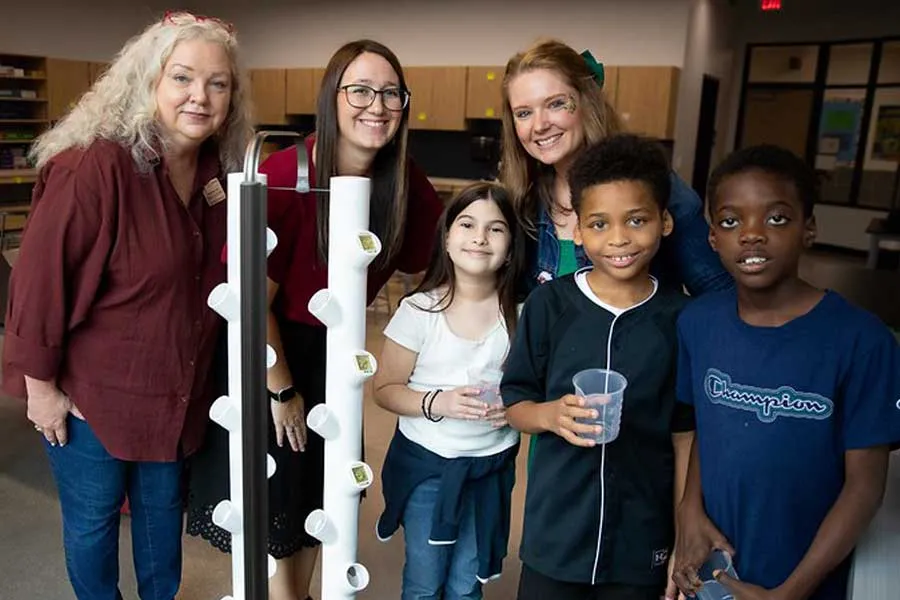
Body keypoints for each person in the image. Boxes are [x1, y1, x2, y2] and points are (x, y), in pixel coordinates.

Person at [1, 10, 252, 600]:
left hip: (173, 398)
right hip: (92, 401)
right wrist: (41, 391)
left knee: (162, 525)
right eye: (182, 77)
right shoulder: (95, 166)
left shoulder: (219, 174)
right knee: (93, 527)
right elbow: (38, 285)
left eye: (217, 83)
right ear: (149, 82)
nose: (200, 96)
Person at [186, 39, 444, 600]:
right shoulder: (286, 174)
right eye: (360, 90)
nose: (377, 106)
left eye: (391, 93)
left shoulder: (403, 181)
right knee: (280, 511)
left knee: (321, 503)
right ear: (332, 97)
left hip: (338, 351)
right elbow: (250, 303)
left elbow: (434, 263)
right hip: (273, 351)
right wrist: (281, 392)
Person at [672, 145, 900, 600]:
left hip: (805, 580)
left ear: (808, 228)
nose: (751, 235)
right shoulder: (698, 323)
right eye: (731, 222)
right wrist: (689, 511)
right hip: (715, 571)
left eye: (776, 218)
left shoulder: (863, 341)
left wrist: (791, 593)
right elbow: (706, 429)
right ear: (712, 237)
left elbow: (865, 486)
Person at [499, 38, 731, 470]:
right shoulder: (525, 201)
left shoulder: (653, 187)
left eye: (556, 104)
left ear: (586, 102)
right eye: (523, 113)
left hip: (645, 421)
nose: (540, 125)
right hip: (565, 429)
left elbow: (720, 298)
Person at [500, 134, 695, 600]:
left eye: (636, 220)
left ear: (665, 221)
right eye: (599, 224)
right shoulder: (550, 305)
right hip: (555, 535)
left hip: (641, 538)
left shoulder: (682, 319)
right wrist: (550, 415)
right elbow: (515, 404)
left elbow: (685, 436)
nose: (619, 238)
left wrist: (683, 538)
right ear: (579, 232)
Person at [372, 182, 525, 600]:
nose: (480, 237)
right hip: (427, 466)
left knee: (465, 585)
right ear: (446, 238)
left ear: (511, 248)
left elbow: (533, 388)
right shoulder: (419, 310)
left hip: (491, 469)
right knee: (425, 583)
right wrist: (437, 401)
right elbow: (384, 389)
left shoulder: (523, 315)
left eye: (496, 229)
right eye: (467, 224)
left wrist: (515, 407)